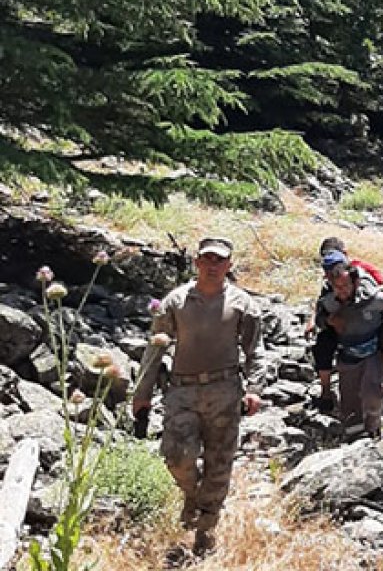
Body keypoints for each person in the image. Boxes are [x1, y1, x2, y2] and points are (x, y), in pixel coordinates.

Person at [133, 237, 263, 555]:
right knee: (176, 455)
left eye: (220, 260)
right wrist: (142, 394)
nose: (213, 265)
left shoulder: (243, 304)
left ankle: (206, 528)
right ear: (197, 263)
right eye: (208, 259)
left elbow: (255, 351)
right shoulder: (176, 302)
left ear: (229, 265)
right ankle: (191, 495)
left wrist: (255, 389)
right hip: (182, 389)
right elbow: (156, 347)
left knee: (219, 464)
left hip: (224, 390)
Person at [316, 260, 383, 438]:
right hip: (348, 353)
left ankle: (373, 430)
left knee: (372, 393)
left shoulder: (371, 298)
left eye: (346, 286)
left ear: (355, 283)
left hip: (372, 352)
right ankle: (354, 437)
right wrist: (329, 321)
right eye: (337, 287)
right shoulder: (330, 303)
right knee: (349, 400)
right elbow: (320, 320)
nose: (342, 290)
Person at [308, 242, 383, 411]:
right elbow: (321, 306)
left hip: (368, 316)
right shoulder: (329, 283)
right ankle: (326, 392)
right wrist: (319, 320)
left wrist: (366, 298)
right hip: (339, 322)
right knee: (322, 344)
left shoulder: (360, 271)